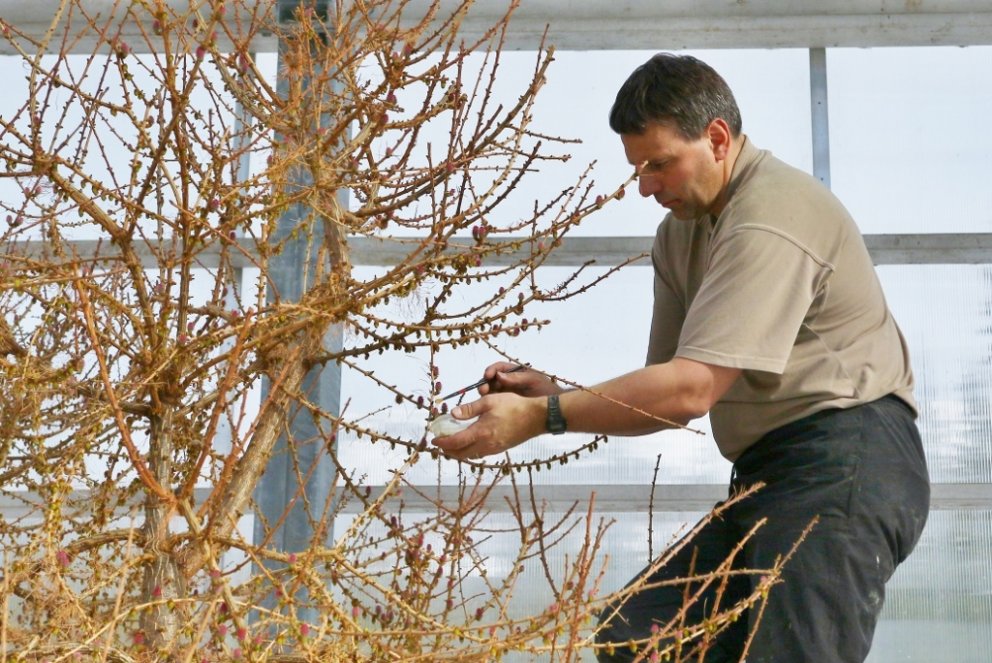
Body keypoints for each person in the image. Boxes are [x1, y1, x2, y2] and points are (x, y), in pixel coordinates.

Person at [431, 53, 930, 663]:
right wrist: (551, 394)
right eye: (637, 167)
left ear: (717, 139)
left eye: (660, 163)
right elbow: (665, 399)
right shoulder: (681, 235)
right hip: (768, 475)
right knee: (638, 637)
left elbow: (691, 390)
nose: (645, 185)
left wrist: (546, 419)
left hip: (846, 460)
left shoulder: (770, 215)